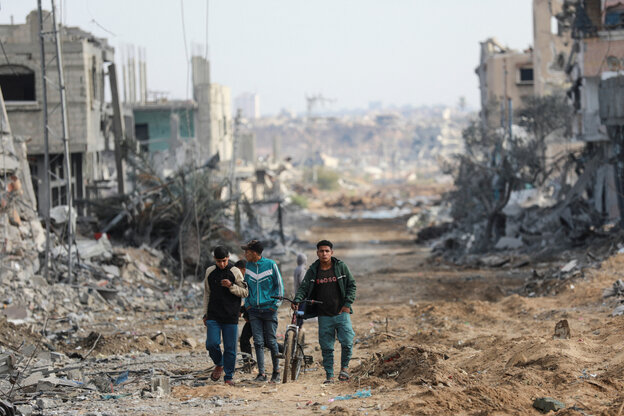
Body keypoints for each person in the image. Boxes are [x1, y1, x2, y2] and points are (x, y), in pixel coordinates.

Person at [293, 240, 356, 384]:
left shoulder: (340, 267)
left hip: (341, 312)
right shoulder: (313, 270)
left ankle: (344, 369)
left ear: (331, 252)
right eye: (321, 251)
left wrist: (347, 304)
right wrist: (297, 299)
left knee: (347, 342)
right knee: (327, 347)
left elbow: (352, 285)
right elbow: (303, 287)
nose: (324, 254)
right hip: (324, 315)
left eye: (327, 251)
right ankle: (330, 376)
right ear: (317, 253)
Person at [202, 246, 248, 386]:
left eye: (224, 260)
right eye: (218, 261)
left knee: (230, 348)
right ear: (214, 260)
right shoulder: (210, 272)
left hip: (230, 315)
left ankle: (228, 376)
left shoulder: (235, 271)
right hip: (214, 315)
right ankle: (219, 363)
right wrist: (205, 313)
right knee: (211, 344)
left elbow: (245, 292)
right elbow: (207, 293)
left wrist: (231, 286)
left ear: (228, 258)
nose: (221, 264)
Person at [241, 239, 284, 383]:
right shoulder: (249, 267)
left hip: (269, 310)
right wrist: (247, 304)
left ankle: (276, 372)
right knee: (258, 342)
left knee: (271, 342)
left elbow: (279, 286)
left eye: (247, 252)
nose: (245, 254)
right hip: (254, 311)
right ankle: (262, 374)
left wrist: (275, 305)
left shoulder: (271, 265)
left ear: (254, 253)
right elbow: (246, 287)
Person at [235, 260, 254, 373]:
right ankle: (248, 364)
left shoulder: (249, 280)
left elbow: (251, 299)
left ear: (243, 270)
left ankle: (287, 352)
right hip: (251, 313)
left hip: (256, 314)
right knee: (244, 339)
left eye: (238, 271)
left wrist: (244, 312)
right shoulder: (246, 280)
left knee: (266, 341)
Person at [293, 253, 308, 326]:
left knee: (298, 310)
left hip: (297, 293)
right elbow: (303, 282)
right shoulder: (302, 269)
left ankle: (297, 325)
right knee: (301, 311)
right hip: (302, 295)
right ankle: (299, 326)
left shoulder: (297, 268)